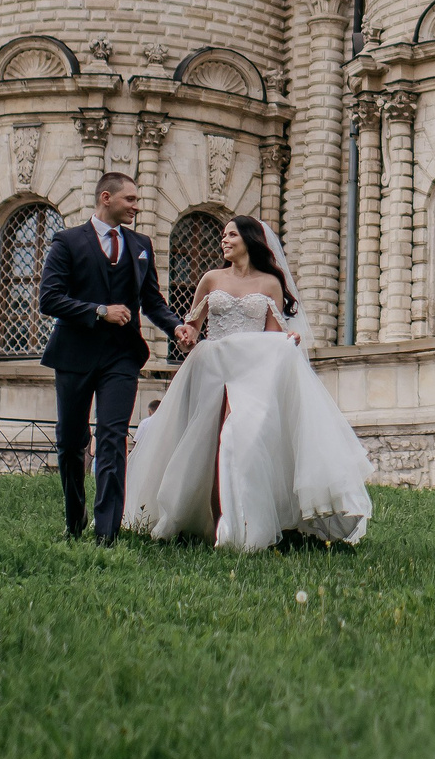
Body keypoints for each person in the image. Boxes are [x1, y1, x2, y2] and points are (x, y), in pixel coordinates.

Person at [124, 215, 373, 550]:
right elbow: (193, 327)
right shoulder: (211, 279)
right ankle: (213, 525)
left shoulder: (270, 283)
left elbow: (274, 334)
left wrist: (290, 338)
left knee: (240, 439)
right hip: (214, 367)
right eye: (223, 235)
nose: (224, 240)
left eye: (231, 234)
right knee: (207, 445)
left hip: (252, 372)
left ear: (250, 240)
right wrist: (186, 337)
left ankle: (242, 524)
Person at [37, 171, 183, 545]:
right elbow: (49, 299)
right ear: (106, 197)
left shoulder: (140, 245)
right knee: (71, 443)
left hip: (121, 357)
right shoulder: (67, 242)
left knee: (112, 437)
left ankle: (107, 533)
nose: (136, 206)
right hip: (74, 355)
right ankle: (74, 518)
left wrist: (177, 328)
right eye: (130, 200)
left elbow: (151, 301)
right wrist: (100, 310)